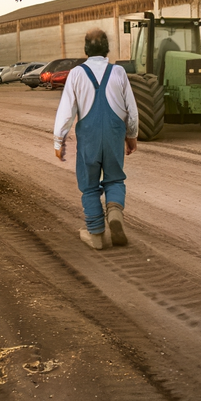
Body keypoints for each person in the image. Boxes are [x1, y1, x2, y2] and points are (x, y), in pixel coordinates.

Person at [53, 28, 138, 249]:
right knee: (115, 179)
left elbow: (66, 111)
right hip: (114, 134)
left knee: (89, 186)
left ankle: (96, 235)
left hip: (89, 137)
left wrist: (58, 140)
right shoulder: (118, 72)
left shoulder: (76, 74)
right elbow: (132, 109)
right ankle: (115, 211)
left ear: (86, 49)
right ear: (107, 48)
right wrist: (132, 136)